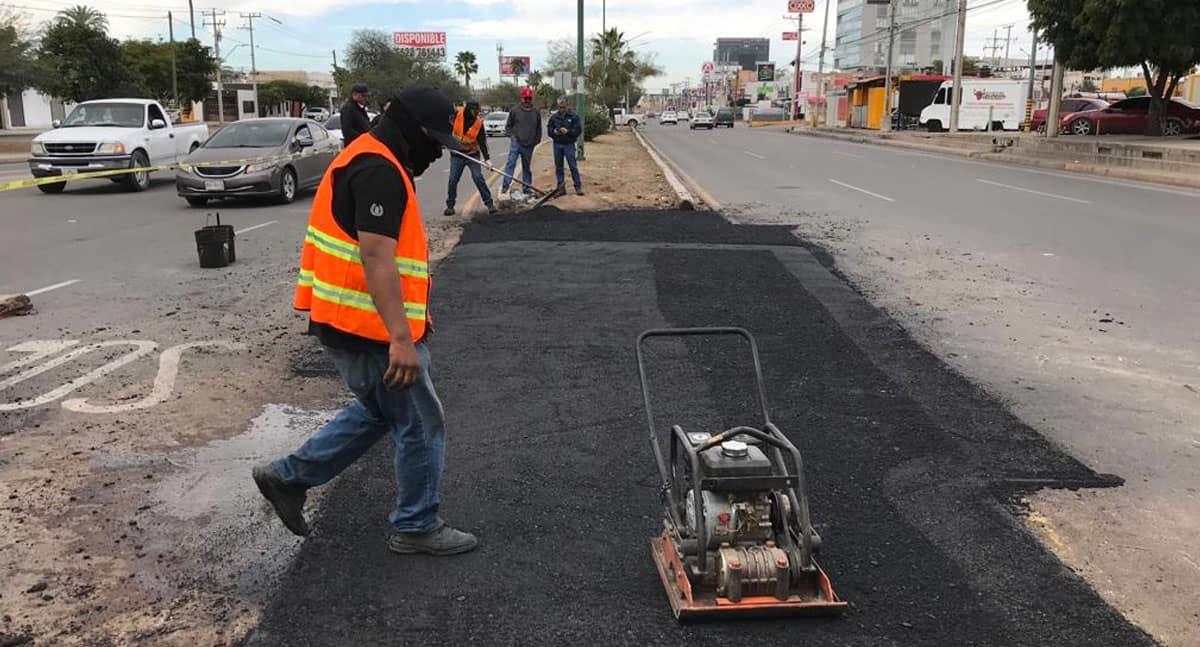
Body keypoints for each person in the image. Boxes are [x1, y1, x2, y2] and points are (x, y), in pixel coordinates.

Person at [252, 86, 479, 557]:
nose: (436, 152)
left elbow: (394, 264)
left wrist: (415, 320)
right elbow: (376, 257)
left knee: (381, 412)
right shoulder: (377, 169)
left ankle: (289, 476)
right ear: (409, 128)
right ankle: (417, 525)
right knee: (420, 423)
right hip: (367, 329)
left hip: (350, 322)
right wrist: (401, 337)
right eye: (433, 140)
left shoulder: (370, 157)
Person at [444, 101, 497, 216]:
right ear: (469, 109)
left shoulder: (478, 123)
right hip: (457, 155)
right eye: (475, 111)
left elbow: (482, 142)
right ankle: (450, 206)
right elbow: (446, 128)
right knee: (453, 180)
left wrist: (487, 159)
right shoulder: (457, 115)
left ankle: (489, 204)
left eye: (478, 111)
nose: (476, 114)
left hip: (472, 154)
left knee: (478, 177)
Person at [500, 87, 541, 196]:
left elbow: (539, 129)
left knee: (526, 167)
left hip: (529, 144)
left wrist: (536, 141)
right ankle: (505, 186)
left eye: (529, 98)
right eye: (525, 98)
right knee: (511, 164)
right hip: (516, 143)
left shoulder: (536, 112)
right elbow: (508, 127)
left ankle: (526, 187)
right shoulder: (514, 111)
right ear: (521, 98)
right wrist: (513, 137)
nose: (527, 101)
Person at [547, 97, 584, 196]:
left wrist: (568, 132)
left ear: (567, 105)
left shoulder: (574, 116)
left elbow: (578, 130)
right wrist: (554, 132)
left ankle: (578, 186)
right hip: (557, 144)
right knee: (559, 167)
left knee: (573, 166)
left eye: (563, 107)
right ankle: (561, 188)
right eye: (560, 107)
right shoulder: (554, 117)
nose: (561, 109)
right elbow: (549, 130)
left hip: (569, 144)